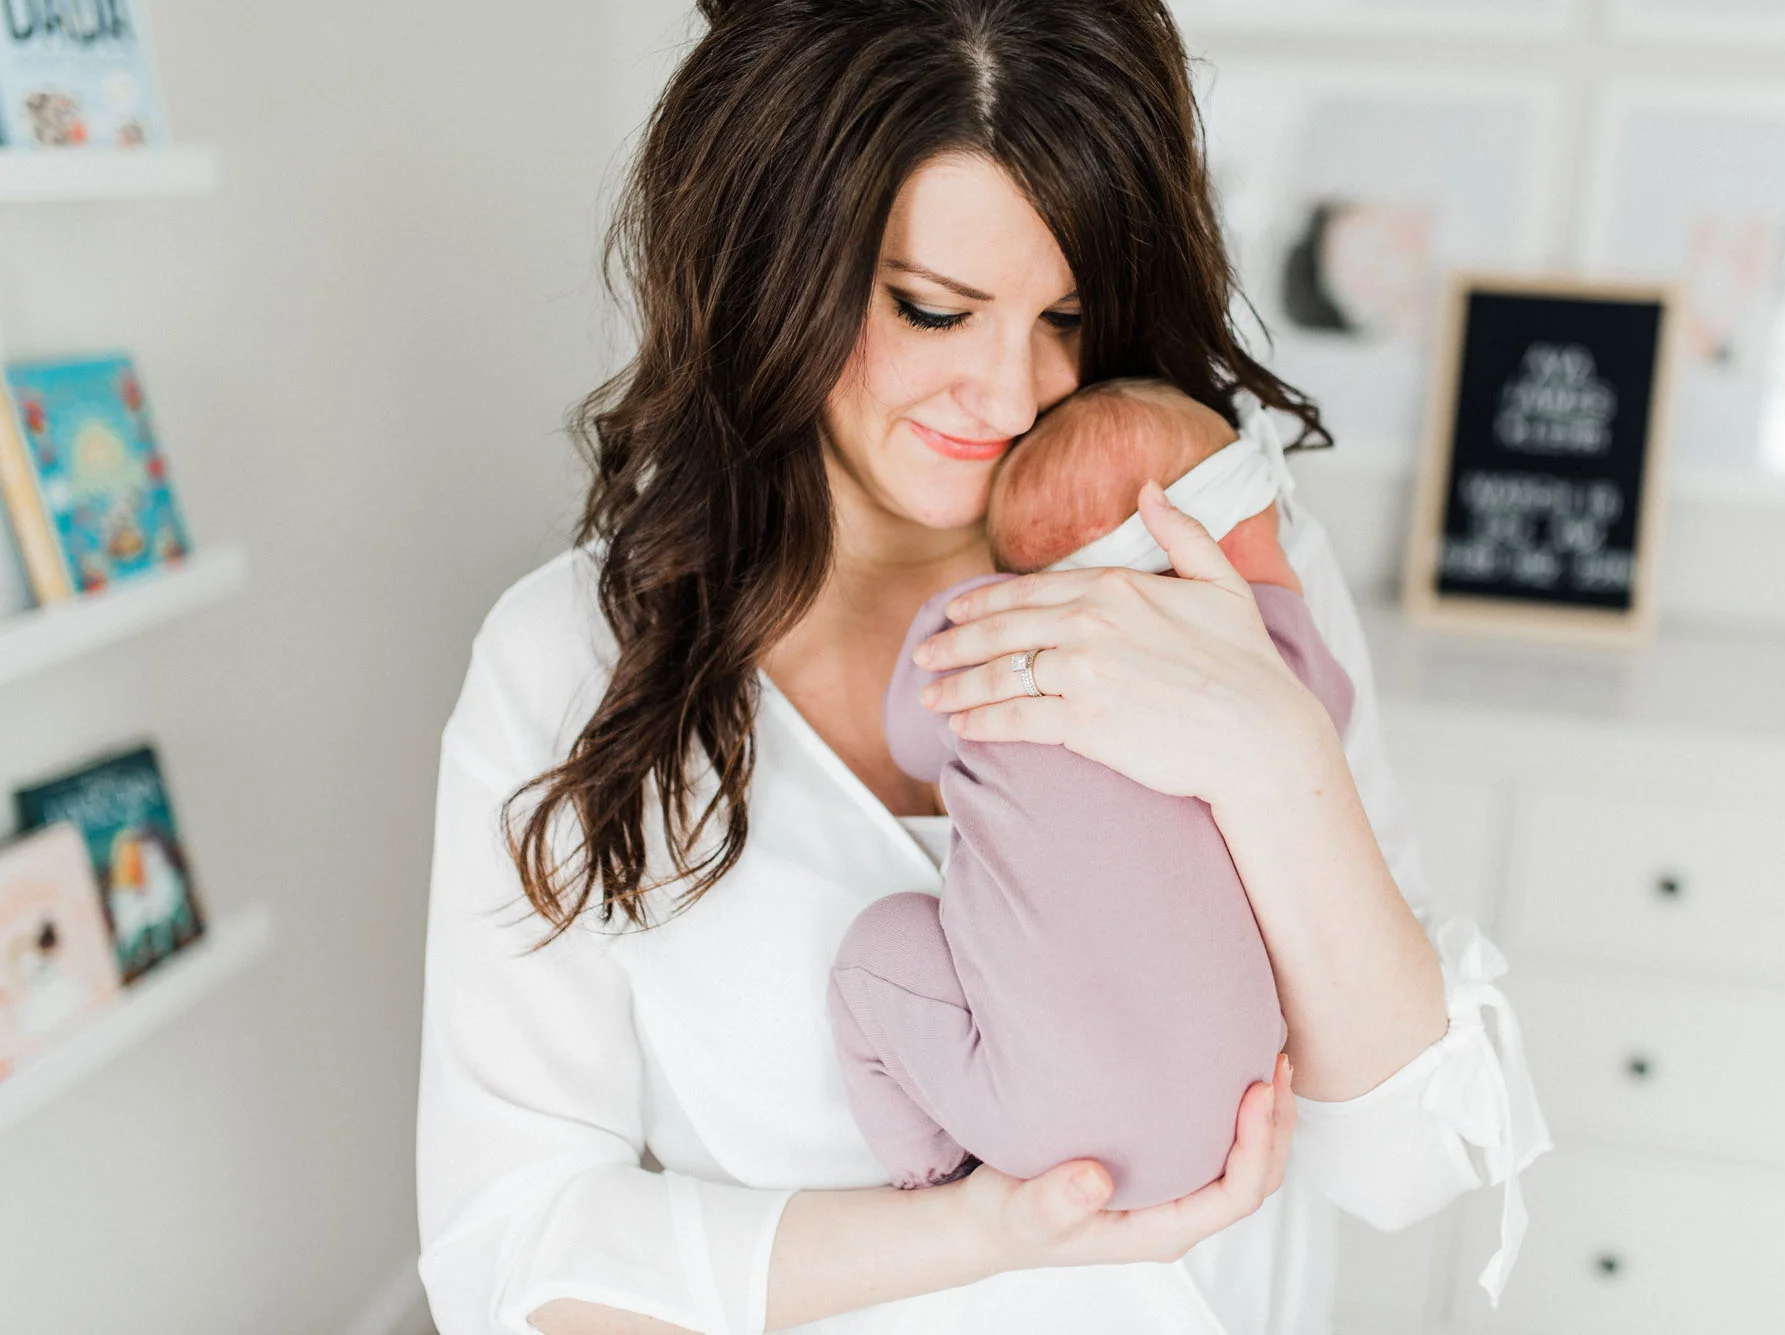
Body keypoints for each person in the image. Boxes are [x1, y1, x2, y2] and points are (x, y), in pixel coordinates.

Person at [415, 3, 1550, 1333]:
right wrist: (980, 1232)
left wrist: (1270, 752)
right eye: (932, 311)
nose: (1013, 397)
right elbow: (511, 1254)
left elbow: (1411, 1158)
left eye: (1067, 316)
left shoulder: (1202, 551)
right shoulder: (570, 662)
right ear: (765, 266)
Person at [827, 380, 1354, 1210]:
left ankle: (930, 1167)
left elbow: (911, 741)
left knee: (878, 951)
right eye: (1264, 543)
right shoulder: (1262, 668)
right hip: (1232, 1118)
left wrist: (954, 615)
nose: (1283, 576)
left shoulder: (985, 632)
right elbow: (1327, 719)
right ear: (1191, 545)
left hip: (1032, 1130)